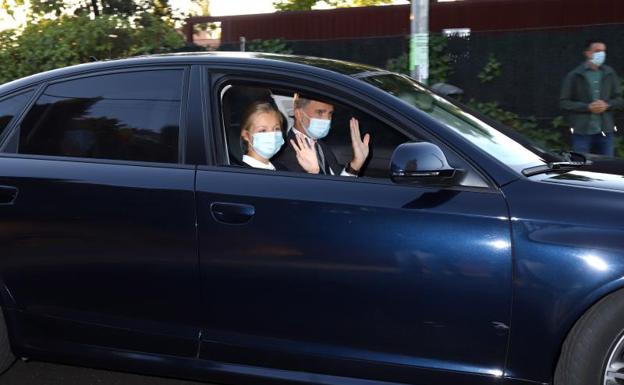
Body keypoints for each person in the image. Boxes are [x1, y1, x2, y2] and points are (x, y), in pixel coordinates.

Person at [274, 94, 371, 176]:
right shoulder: (286, 154)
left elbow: (338, 185)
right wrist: (313, 174)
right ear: (299, 114)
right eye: (320, 112)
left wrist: (355, 165)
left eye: (330, 114)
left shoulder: (319, 144)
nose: (327, 119)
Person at [560, 39, 624, 156]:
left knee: (607, 168)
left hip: (605, 131)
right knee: (582, 166)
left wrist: (607, 105)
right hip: (582, 132)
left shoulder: (609, 73)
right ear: (588, 53)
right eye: (598, 51)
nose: (602, 54)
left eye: (603, 51)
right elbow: (564, 102)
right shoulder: (575, 75)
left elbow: (619, 100)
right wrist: (587, 107)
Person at [239, 101, 319, 172]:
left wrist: (312, 171)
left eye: (276, 129)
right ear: (246, 135)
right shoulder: (239, 174)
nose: (272, 135)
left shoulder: (282, 169)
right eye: (263, 130)